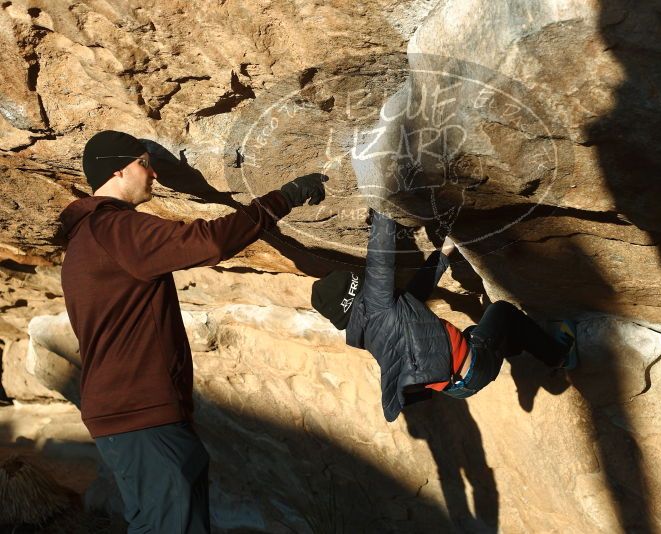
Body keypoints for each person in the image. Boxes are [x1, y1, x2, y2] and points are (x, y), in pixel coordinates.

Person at [59, 130, 326, 533]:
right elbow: (209, 243)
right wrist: (283, 197)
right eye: (144, 163)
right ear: (116, 170)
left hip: (133, 414)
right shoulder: (114, 229)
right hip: (140, 414)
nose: (153, 175)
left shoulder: (86, 237)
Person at [311, 210, 577, 422]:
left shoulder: (372, 327)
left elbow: (418, 290)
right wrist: (381, 204)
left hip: (458, 388)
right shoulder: (376, 305)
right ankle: (560, 356)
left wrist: (446, 250)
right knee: (502, 311)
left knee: (479, 331)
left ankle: (518, 346)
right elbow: (380, 256)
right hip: (476, 365)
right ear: (356, 292)